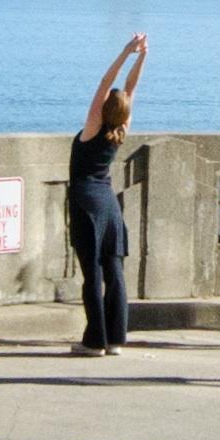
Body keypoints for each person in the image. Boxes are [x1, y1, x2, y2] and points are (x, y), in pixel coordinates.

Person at [68, 34, 147, 356]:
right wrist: (142, 58)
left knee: (93, 274)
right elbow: (130, 89)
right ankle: (115, 338)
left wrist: (126, 51)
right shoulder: (120, 128)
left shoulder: (92, 128)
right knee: (114, 272)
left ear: (103, 109)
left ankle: (94, 340)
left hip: (86, 201)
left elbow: (106, 82)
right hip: (109, 204)